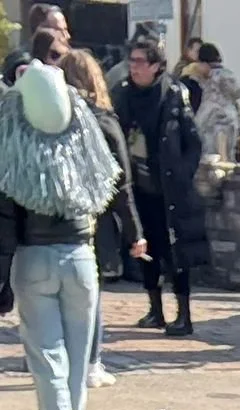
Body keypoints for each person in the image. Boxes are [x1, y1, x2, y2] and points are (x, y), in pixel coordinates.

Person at [0, 58, 119, 410]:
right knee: (77, 354)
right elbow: (109, 191)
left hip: (34, 258)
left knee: (47, 357)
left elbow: (5, 220)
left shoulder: (13, 146)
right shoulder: (83, 144)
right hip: (81, 256)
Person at [110, 31, 207, 336]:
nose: (134, 67)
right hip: (139, 187)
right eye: (132, 61)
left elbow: (194, 143)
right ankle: (155, 310)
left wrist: (182, 174)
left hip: (170, 189)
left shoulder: (173, 95)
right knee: (146, 248)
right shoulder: (122, 95)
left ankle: (184, 314)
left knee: (176, 251)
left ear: (156, 66)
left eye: (140, 61)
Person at [62, 45, 146, 389]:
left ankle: (59, 357)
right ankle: (91, 361)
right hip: (92, 219)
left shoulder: (50, 122)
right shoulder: (102, 121)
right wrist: (134, 232)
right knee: (89, 292)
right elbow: (120, 183)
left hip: (52, 216)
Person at [191, 41, 240, 161]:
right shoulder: (228, 77)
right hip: (230, 124)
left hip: (212, 129)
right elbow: (238, 93)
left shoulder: (212, 82)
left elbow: (209, 113)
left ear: (204, 62)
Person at [2, 2, 66, 82]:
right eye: (59, 30)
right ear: (40, 29)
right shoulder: (22, 61)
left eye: (65, 29)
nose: (66, 35)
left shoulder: (62, 59)